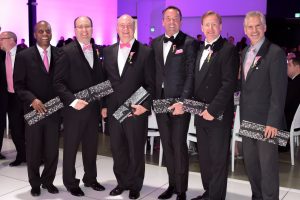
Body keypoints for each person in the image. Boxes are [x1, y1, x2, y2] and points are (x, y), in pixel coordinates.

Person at [101, 14, 155, 199]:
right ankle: (122, 182)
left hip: (135, 108)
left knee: (135, 149)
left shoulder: (146, 52)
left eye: (129, 25)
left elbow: (151, 84)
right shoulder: (108, 51)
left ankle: (135, 185)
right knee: (117, 148)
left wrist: (144, 105)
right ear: (116, 28)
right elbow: (105, 81)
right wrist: (103, 105)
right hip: (115, 108)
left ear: (134, 28)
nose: (125, 28)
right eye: (122, 25)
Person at [53, 16, 105, 197]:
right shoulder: (65, 52)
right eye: (80, 27)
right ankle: (70, 182)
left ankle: (90, 178)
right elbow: (58, 83)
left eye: (87, 26)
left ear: (92, 28)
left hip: (93, 109)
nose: (84, 30)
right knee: (71, 147)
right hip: (73, 110)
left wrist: (103, 104)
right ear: (75, 30)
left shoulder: (97, 50)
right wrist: (73, 101)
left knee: (91, 146)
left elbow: (100, 80)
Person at [191, 11, 239, 200]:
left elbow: (229, 84)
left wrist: (212, 110)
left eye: (214, 25)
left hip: (217, 114)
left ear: (220, 26)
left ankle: (216, 196)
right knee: (204, 158)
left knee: (218, 159)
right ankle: (208, 192)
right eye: (206, 25)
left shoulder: (228, 49)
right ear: (201, 28)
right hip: (200, 113)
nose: (210, 29)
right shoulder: (199, 49)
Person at [151, 6, 197, 200]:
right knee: (167, 145)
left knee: (178, 145)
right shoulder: (155, 43)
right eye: (167, 18)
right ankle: (171, 185)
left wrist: (183, 101)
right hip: (161, 102)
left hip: (179, 103)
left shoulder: (189, 43)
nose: (171, 22)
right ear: (162, 21)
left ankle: (181, 190)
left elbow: (191, 75)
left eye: (175, 18)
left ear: (180, 21)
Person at [240, 11, 287, 200]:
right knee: (252, 167)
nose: (254, 30)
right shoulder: (245, 52)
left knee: (267, 170)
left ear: (264, 27)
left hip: (267, 123)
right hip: (248, 120)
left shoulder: (275, 52)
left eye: (257, 26)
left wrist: (273, 122)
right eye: (250, 27)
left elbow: (279, 91)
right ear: (245, 30)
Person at [13, 20, 61, 197]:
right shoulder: (24, 56)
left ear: (51, 32)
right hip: (34, 110)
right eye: (40, 31)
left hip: (54, 110)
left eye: (47, 30)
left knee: (52, 150)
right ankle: (35, 184)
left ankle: (48, 182)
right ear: (35, 34)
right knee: (33, 149)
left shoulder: (59, 53)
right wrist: (32, 100)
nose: (44, 34)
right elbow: (19, 86)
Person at [0, 31, 26, 166]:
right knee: (15, 130)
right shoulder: (2, 56)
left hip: (26, 97)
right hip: (10, 97)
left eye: (1, 39)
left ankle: (35, 157)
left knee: (29, 129)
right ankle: (21, 156)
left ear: (11, 40)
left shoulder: (25, 54)